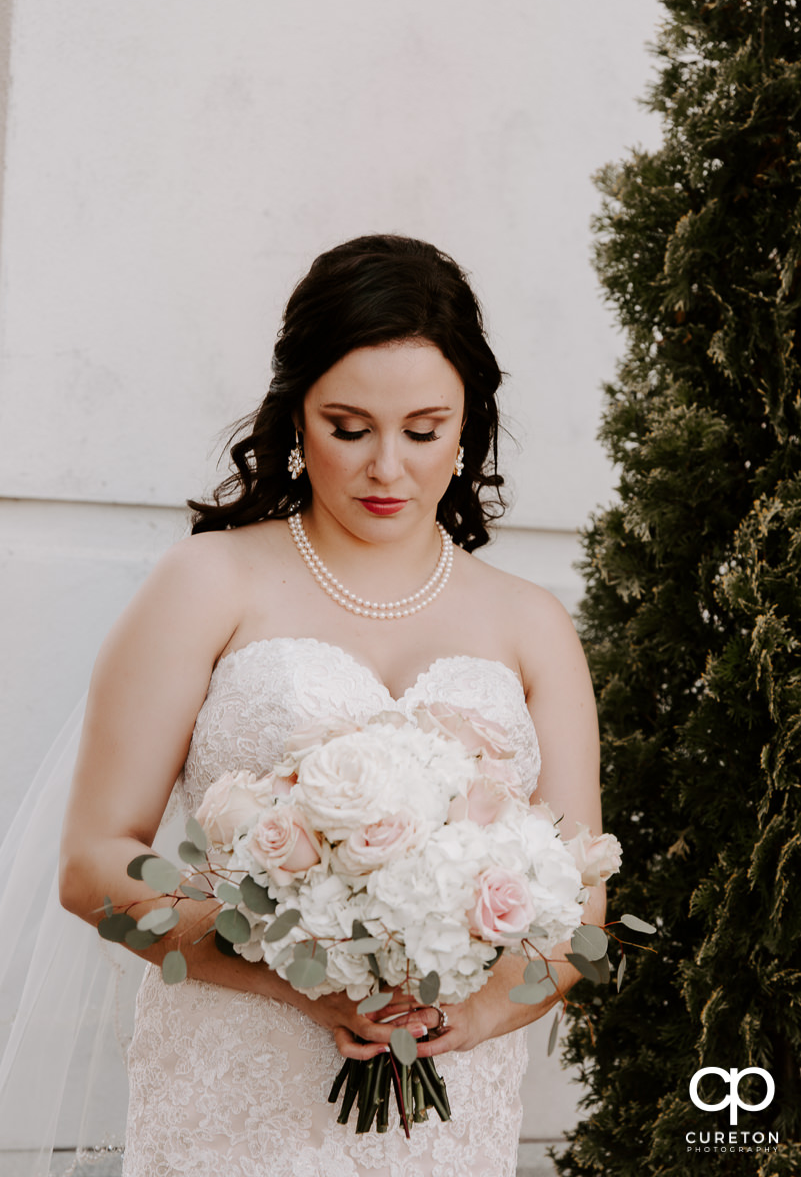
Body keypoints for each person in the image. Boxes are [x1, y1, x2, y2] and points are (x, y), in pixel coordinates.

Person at [58, 234, 603, 1177]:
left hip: (446, 1115)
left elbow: (581, 911)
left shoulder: (532, 623)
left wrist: (467, 1017)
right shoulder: (207, 583)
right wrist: (301, 980)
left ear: (468, 424)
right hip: (237, 1099)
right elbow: (92, 865)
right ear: (295, 417)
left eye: (424, 430)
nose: (386, 467)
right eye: (348, 427)